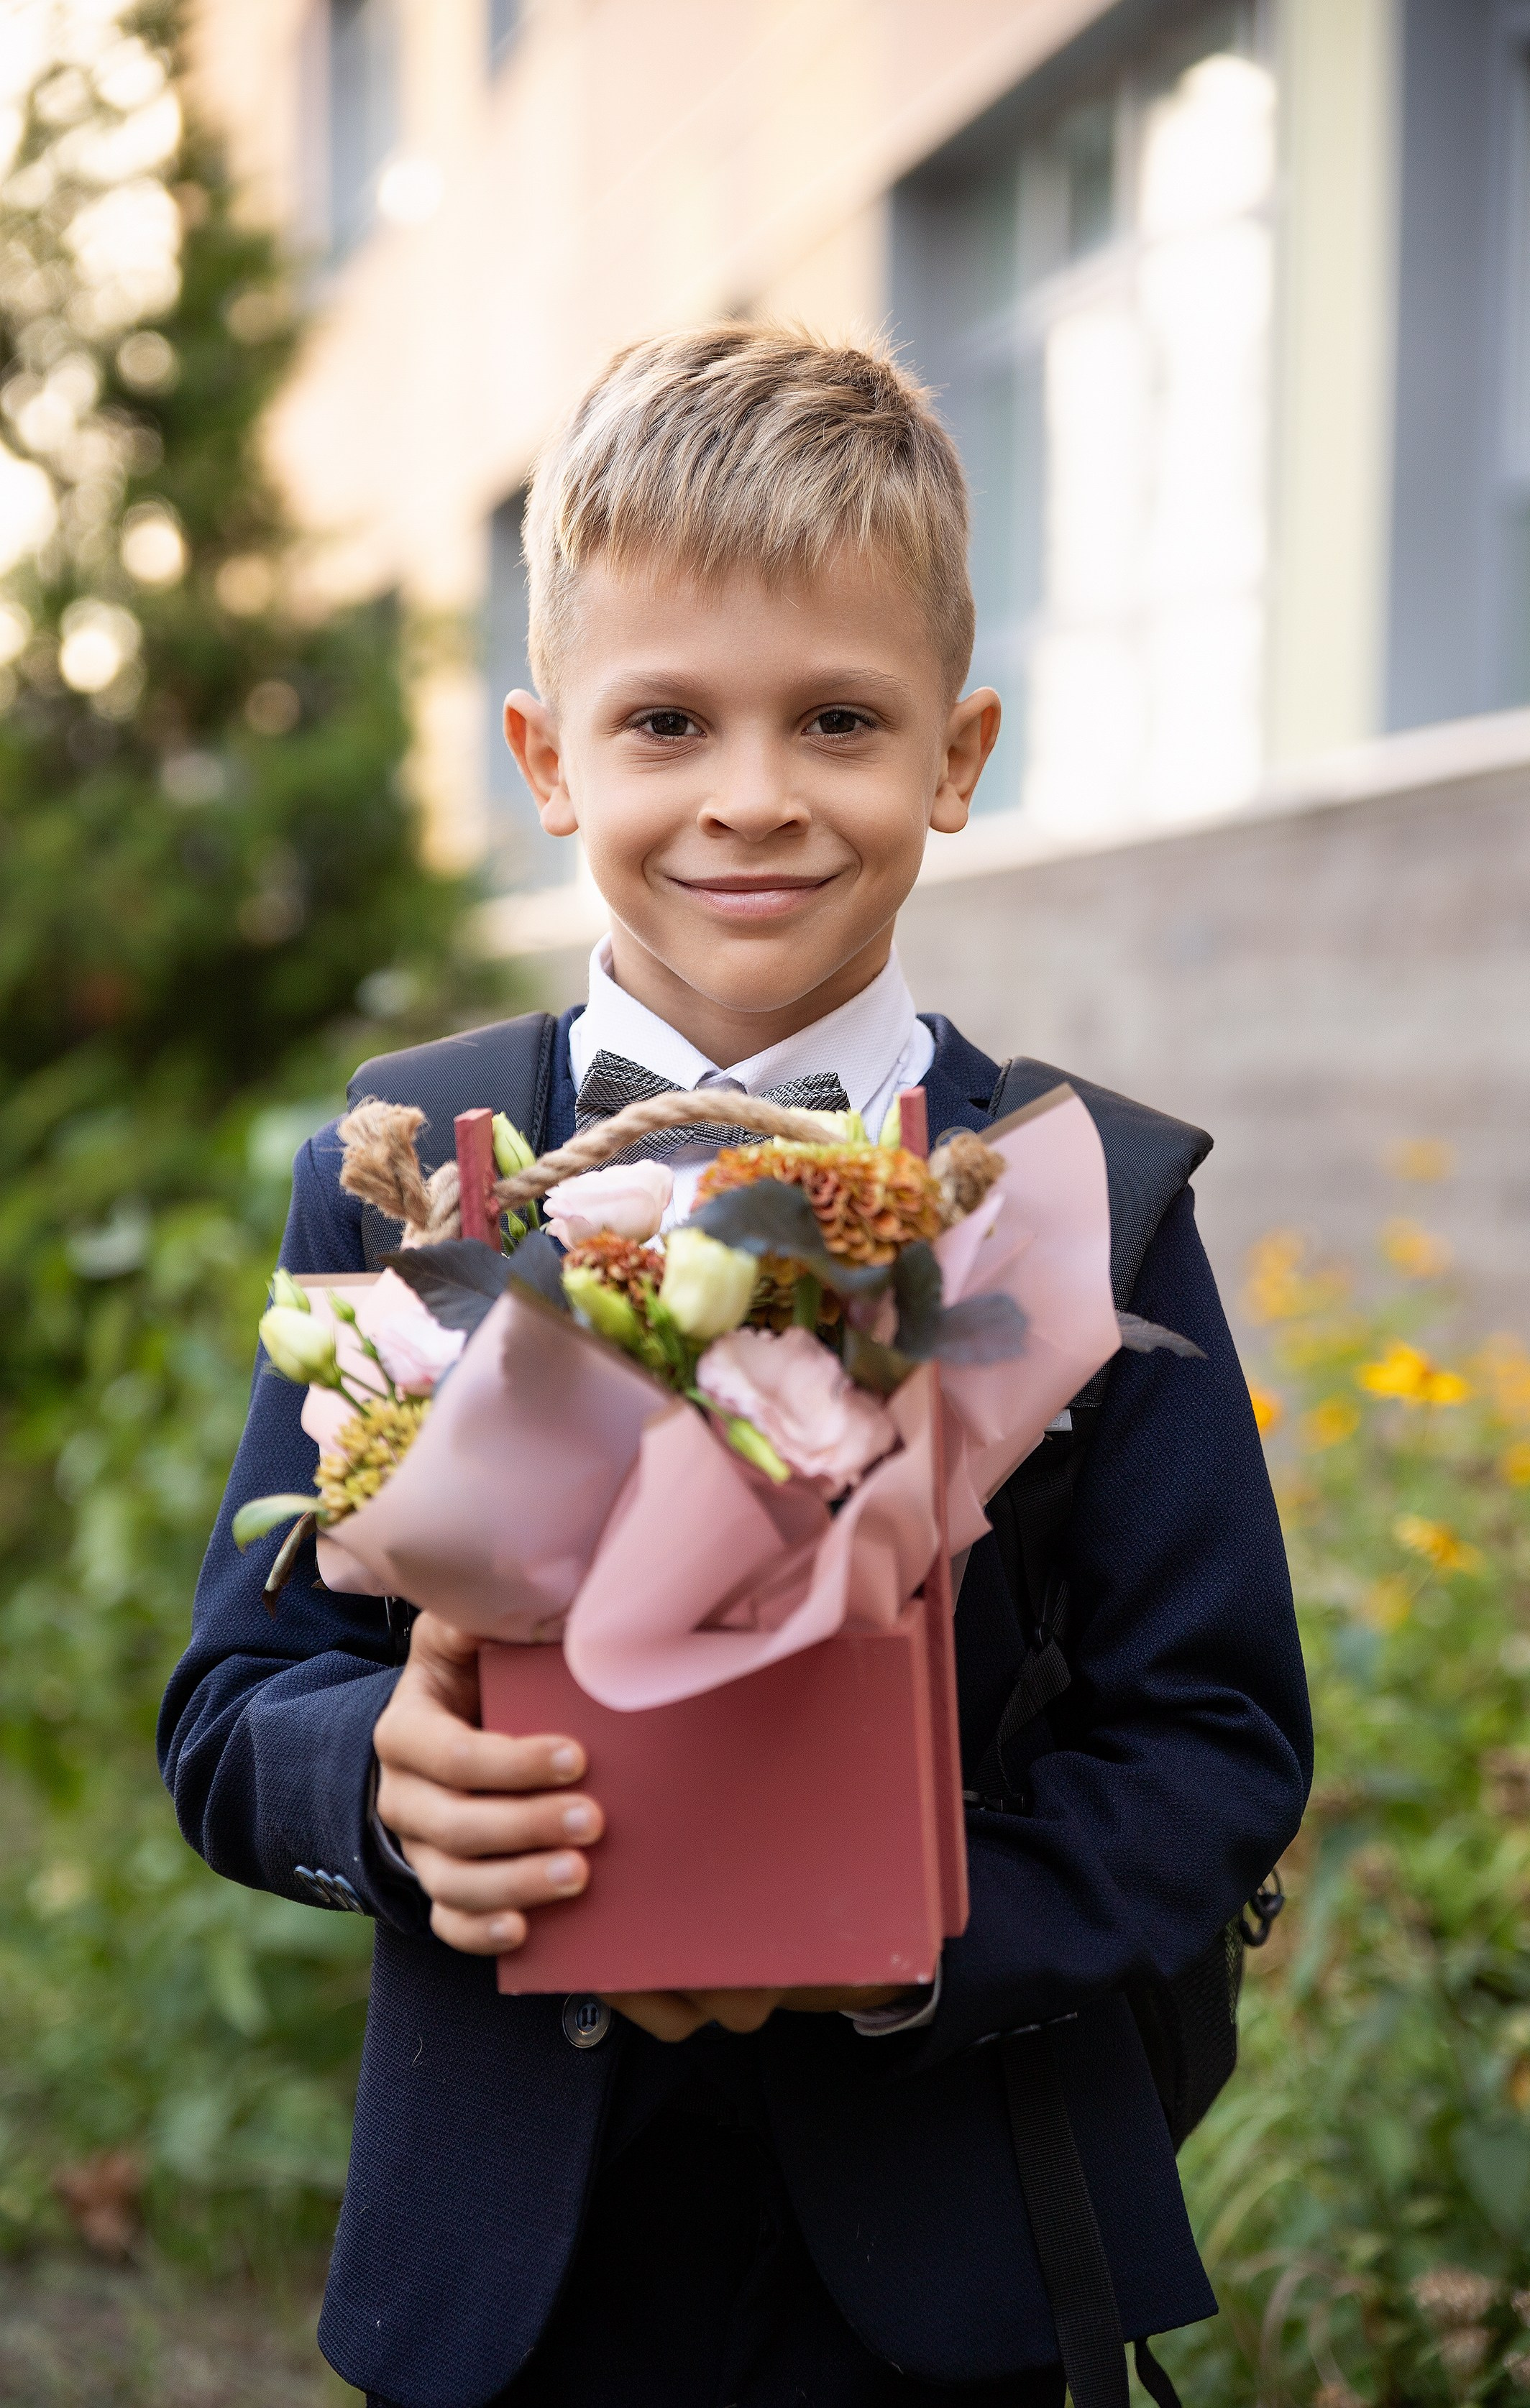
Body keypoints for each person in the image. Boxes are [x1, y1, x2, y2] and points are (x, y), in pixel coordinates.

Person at [160, 325, 1311, 2408]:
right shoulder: (410, 1172)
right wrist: (385, 1790)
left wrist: (902, 1939)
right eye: (668, 721)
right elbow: (236, 1706)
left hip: (945, 2262)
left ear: (955, 755)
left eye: (840, 720)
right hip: (509, 2280)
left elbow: (1215, 1747)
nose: (754, 796)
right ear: (546, 758)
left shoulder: (1078, 1203)